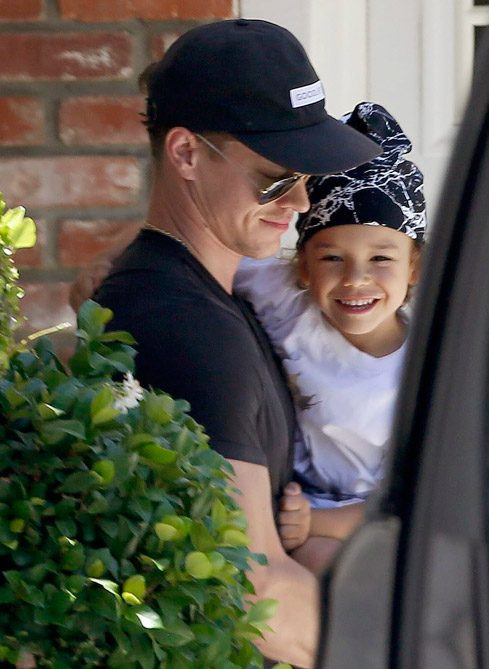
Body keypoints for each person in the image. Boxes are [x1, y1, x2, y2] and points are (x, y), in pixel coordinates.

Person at [87, 18, 381, 669]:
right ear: (186, 154)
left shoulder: (204, 295)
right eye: (274, 178)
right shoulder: (186, 325)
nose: (299, 201)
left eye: (305, 176)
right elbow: (253, 589)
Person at [234, 102, 427, 573]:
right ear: (302, 267)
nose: (355, 279)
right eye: (332, 259)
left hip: (372, 519)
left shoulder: (424, 367)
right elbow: (195, 252)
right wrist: (109, 268)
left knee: (323, 565)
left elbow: (416, 497)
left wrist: (314, 523)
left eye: (381, 259)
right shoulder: (286, 300)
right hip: (289, 494)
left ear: (414, 268)